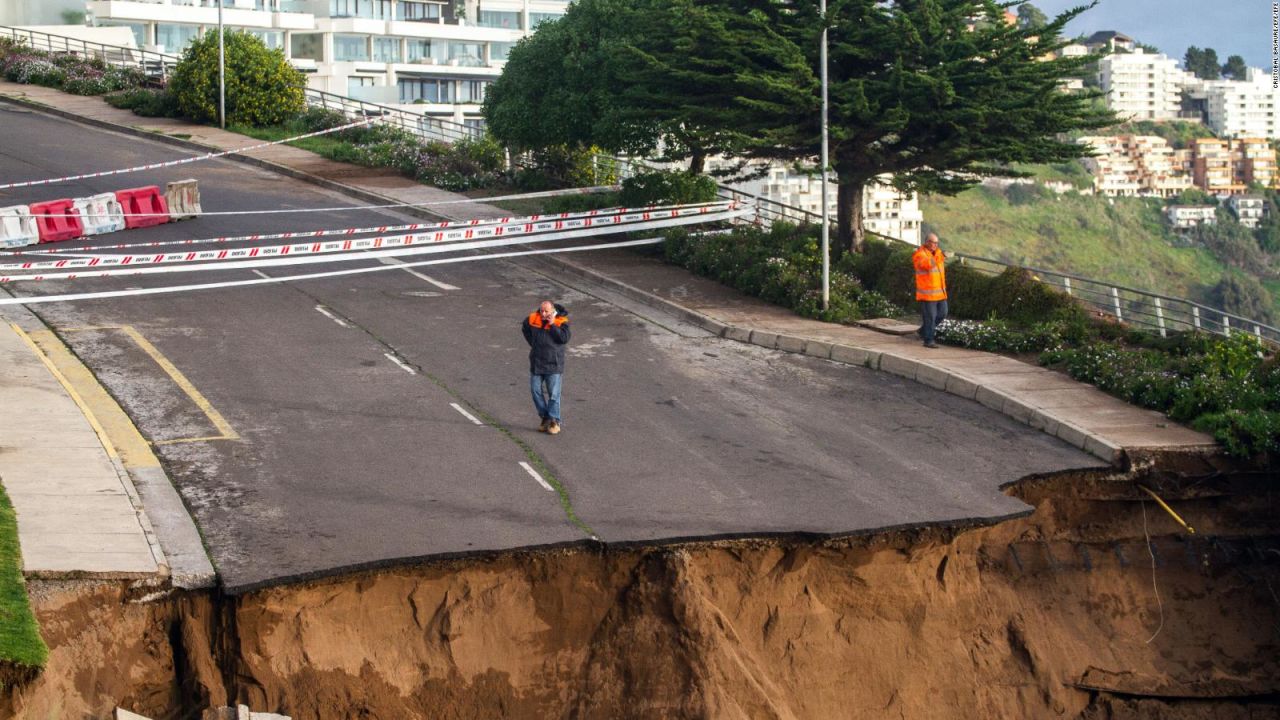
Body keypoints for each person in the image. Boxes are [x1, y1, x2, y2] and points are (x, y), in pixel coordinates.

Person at [521, 300, 571, 434]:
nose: (543, 313)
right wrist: (533, 343)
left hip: (553, 364)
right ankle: (546, 417)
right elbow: (525, 328)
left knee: (554, 395)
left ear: (552, 311)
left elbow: (564, 338)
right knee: (535, 391)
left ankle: (554, 421)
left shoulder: (561, 321)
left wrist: (552, 324)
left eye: (546, 311)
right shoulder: (532, 318)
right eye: (541, 310)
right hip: (537, 363)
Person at [913, 233, 948, 349]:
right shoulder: (920, 254)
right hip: (927, 294)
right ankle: (928, 340)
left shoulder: (938, 253)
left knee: (943, 313)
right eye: (933, 242)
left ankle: (923, 331)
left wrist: (940, 256)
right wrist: (941, 256)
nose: (936, 245)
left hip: (940, 293)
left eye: (937, 243)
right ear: (927, 242)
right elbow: (927, 265)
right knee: (930, 317)